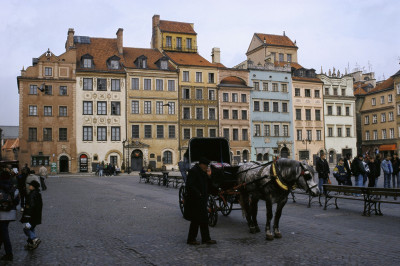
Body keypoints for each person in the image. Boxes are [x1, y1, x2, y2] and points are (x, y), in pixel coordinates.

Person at [184, 157, 216, 245]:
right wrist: (198, 193)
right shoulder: (194, 171)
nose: (207, 167)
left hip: (202, 200)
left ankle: (206, 239)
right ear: (201, 164)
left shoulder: (202, 171)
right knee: (195, 220)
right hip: (195, 200)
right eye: (206, 166)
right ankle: (191, 239)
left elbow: (208, 183)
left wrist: (209, 176)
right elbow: (190, 185)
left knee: (204, 220)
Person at [0, 165, 19, 261]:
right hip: (10, 213)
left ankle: (9, 254)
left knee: (4, 234)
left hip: (1, 214)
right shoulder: (13, 187)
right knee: (3, 232)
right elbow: (17, 201)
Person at [20, 180, 43, 250]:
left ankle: (34, 239)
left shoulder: (32, 195)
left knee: (26, 229)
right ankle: (31, 244)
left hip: (31, 216)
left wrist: (27, 215)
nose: (29, 186)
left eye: (30, 185)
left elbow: (30, 206)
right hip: (36, 216)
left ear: (33, 187)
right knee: (31, 229)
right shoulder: (37, 193)